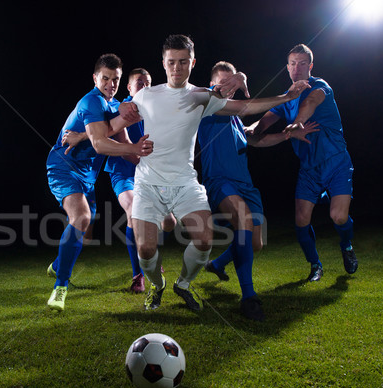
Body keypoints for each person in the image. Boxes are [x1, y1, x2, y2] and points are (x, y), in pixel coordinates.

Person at [115, 34, 311, 313]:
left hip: (187, 182)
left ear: (192, 63)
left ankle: (183, 284)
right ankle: (158, 286)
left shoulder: (202, 98)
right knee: (146, 248)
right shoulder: (148, 94)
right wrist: (119, 106)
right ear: (163, 62)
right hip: (152, 182)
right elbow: (114, 120)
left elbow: (244, 107)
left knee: (213, 240)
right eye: (171, 62)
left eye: (183, 62)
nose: (177, 68)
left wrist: (286, 96)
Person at [198, 61, 319, 321]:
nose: (228, 87)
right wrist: (243, 77)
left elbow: (256, 139)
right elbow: (236, 101)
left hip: (246, 184)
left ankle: (217, 264)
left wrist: (287, 136)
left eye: (232, 83)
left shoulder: (235, 121)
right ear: (212, 84)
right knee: (241, 220)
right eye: (222, 83)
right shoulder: (206, 102)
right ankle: (249, 298)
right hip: (220, 180)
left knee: (256, 243)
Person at [45, 53, 153, 311]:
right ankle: (61, 287)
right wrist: (136, 148)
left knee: (83, 230)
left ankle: (58, 265)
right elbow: (101, 142)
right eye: (105, 78)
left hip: (88, 177)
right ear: (95, 78)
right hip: (64, 168)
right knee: (81, 218)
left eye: (115, 79)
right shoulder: (91, 101)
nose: (110, 84)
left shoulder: (113, 104)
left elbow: (118, 134)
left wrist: (143, 157)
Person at [249, 44, 358, 282]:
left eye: (301, 63)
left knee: (338, 217)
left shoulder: (321, 87)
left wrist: (298, 123)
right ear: (287, 68)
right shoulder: (285, 99)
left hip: (336, 162)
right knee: (301, 220)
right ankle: (315, 265)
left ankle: (347, 246)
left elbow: (310, 104)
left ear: (310, 66)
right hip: (309, 169)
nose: (296, 68)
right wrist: (238, 128)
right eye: (292, 63)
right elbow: (259, 126)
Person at [63, 68, 177, 294]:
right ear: (129, 87)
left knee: (169, 223)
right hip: (124, 172)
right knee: (134, 212)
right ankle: (138, 274)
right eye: (139, 83)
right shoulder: (124, 107)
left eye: (148, 83)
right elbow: (107, 130)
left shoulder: (155, 110)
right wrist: (82, 136)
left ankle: (148, 252)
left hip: (148, 173)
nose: (145, 87)